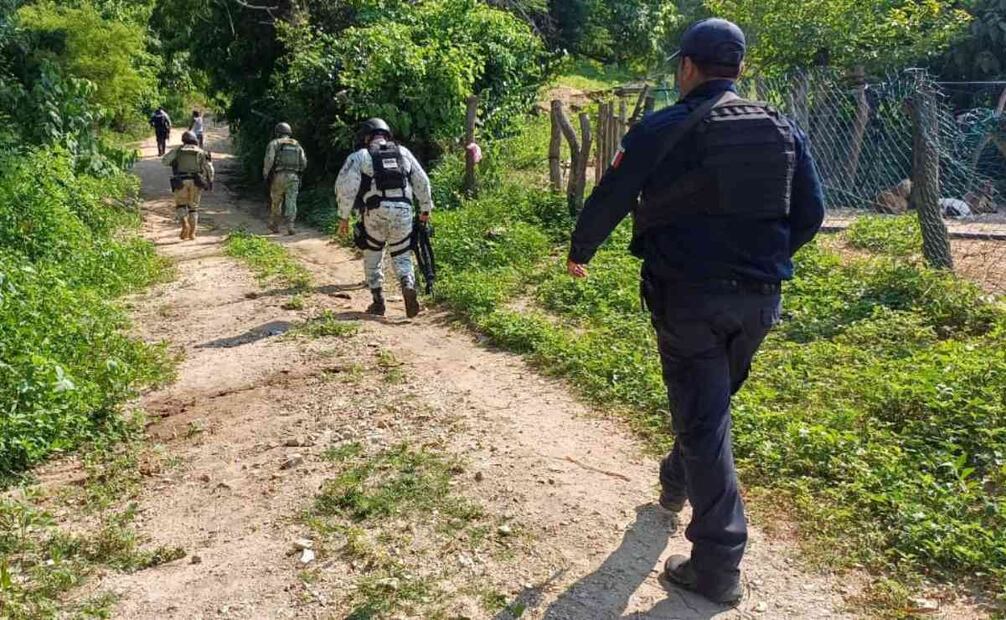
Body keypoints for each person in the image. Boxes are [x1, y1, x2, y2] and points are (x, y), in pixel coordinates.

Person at [566, 18, 824, 606]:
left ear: (686, 67)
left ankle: (718, 561)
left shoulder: (663, 125)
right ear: (738, 69)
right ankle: (676, 478)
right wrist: (762, 260)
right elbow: (810, 213)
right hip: (759, 300)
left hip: (688, 298)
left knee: (705, 417)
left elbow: (613, 192)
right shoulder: (782, 128)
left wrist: (581, 250)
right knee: (709, 405)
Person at [335, 118, 433, 319]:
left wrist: (343, 217)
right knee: (402, 254)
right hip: (404, 210)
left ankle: (378, 301)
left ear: (366, 137)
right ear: (387, 135)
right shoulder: (403, 152)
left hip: (375, 211)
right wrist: (425, 208)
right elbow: (422, 180)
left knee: (373, 252)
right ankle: (407, 283)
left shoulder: (361, 156)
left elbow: (346, 187)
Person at [163, 130, 214, 241]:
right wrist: (210, 181)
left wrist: (174, 160)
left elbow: (165, 161)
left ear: (183, 140)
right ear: (195, 140)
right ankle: (192, 233)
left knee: (181, 206)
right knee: (194, 208)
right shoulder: (201, 152)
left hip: (181, 181)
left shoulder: (178, 150)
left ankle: (184, 224)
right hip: (196, 181)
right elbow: (209, 168)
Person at [262, 122, 307, 235]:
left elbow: (269, 160)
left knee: (276, 201)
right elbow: (304, 162)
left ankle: (275, 225)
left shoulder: (274, 143)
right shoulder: (297, 144)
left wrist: (266, 174)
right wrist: (299, 173)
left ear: (278, 132)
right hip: (293, 176)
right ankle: (290, 226)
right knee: (291, 201)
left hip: (279, 176)